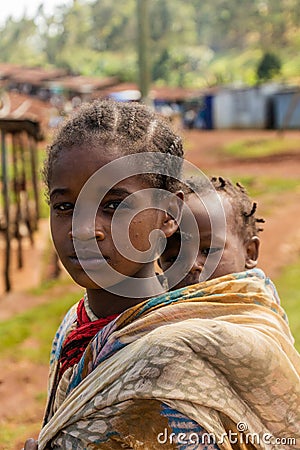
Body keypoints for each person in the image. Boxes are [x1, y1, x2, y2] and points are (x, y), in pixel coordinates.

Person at [23, 100, 299, 450]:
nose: (84, 229)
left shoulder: (174, 354)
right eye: (65, 206)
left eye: (113, 205)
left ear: (169, 213)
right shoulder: (76, 327)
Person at [158, 176, 265, 290]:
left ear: (249, 253)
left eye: (208, 251)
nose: (192, 266)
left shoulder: (256, 304)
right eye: (174, 259)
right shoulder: (158, 306)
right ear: (160, 264)